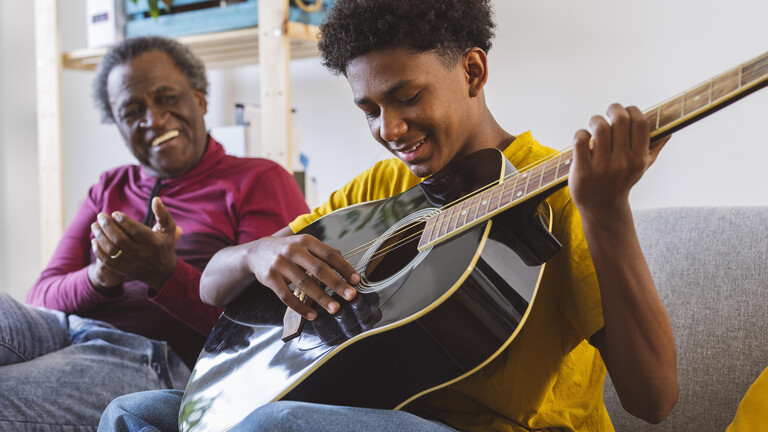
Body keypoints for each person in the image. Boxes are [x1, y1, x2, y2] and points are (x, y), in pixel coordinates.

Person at [98, 1, 679, 431]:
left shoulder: (560, 189)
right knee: (133, 414)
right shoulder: (382, 189)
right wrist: (258, 251)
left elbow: (654, 399)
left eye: (406, 98)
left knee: (276, 427)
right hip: (366, 414)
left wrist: (606, 213)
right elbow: (210, 284)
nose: (389, 131)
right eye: (369, 109)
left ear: (473, 72)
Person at [0, 36, 309, 430]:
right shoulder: (110, 186)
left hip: (161, 361)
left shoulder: (256, 180)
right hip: (67, 331)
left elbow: (269, 330)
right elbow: (41, 296)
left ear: (199, 100)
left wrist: (163, 273)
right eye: (131, 111)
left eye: (166, 98)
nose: (153, 119)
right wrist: (103, 275)